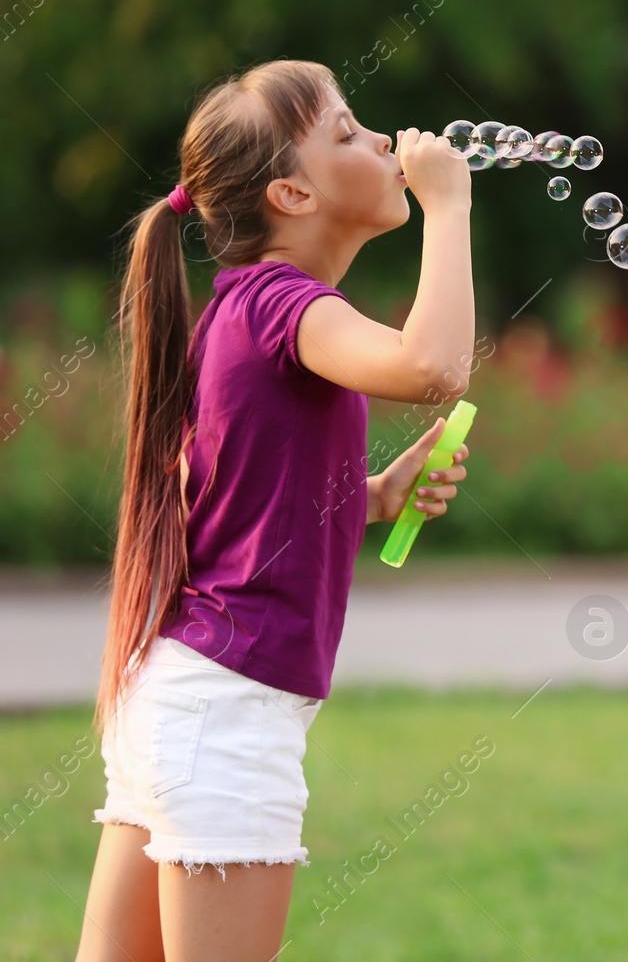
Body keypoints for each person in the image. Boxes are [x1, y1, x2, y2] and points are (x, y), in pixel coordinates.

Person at [78, 59, 475, 962]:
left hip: (179, 693)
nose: (382, 141)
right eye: (345, 133)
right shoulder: (286, 304)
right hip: (223, 713)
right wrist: (449, 209)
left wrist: (369, 499)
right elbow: (432, 369)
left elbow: (229, 497)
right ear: (292, 192)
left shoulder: (242, 310)